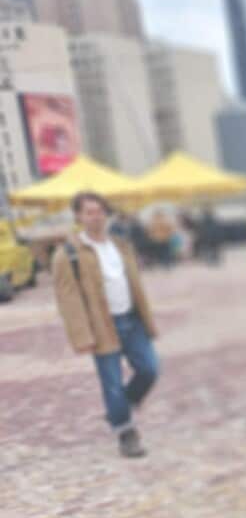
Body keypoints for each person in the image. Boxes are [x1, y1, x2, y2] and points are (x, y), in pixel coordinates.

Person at [52, 191, 160, 458]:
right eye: (89, 212)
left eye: (99, 211)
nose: (96, 216)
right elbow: (69, 300)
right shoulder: (68, 254)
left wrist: (146, 318)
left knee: (150, 369)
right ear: (78, 216)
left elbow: (135, 285)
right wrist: (81, 335)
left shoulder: (121, 245)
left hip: (132, 320)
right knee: (112, 383)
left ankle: (118, 409)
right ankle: (126, 433)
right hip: (102, 326)